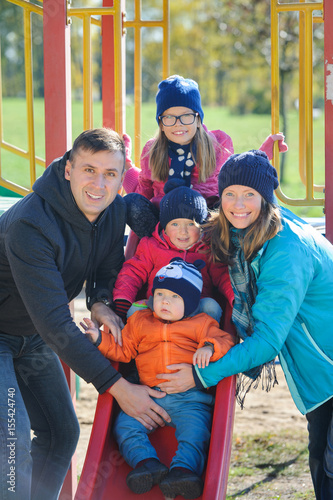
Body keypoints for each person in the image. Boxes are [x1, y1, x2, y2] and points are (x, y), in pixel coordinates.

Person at [0, 128, 170, 500]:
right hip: (16, 332)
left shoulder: (112, 210)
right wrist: (117, 387)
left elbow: (107, 267)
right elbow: (55, 324)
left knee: (62, 433)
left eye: (110, 173)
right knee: (10, 442)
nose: (99, 183)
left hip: (32, 335)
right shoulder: (31, 225)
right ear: (67, 169)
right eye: (88, 170)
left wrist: (100, 302)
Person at [155, 150, 333, 500]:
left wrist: (201, 376)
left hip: (326, 365)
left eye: (249, 194)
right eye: (230, 194)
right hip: (320, 376)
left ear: (265, 199)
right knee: (320, 463)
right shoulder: (246, 232)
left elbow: (267, 340)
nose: (238, 204)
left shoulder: (286, 250)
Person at [82, 258, 236, 499]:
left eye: (175, 297)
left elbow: (226, 341)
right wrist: (99, 339)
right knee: (124, 426)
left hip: (189, 399)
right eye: (160, 293)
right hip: (149, 397)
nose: (165, 301)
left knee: (196, 432)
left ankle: (183, 471)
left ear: (192, 303)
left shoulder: (201, 323)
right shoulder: (140, 322)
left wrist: (208, 347)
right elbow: (123, 351)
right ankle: (147, 463)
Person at [122, 74, 288, 238]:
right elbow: (143, 192)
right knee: (131, 202)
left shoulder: (218, 144)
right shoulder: (153, 150)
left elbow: (238, 176)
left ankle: (212, 251)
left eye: (186, 116)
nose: (178, 123)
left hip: (207, 225)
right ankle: (160, 249)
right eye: (169, 117)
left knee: (232, 205)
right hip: (166, 224)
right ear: (161, 123)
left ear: (198, 119)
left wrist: (261, 155)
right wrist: (125, 166)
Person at [113, 185, 234, 323]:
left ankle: (206, 338)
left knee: (212, 306)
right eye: (175, 224)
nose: (183, 232)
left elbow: (223, 276)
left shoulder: (207, 249)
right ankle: (139, 340)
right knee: (135, 310)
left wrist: (235, 299)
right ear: (165, 226)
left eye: (190, 224)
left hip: (195, 309)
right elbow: (132, 272)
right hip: (158, 307)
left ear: (202, 227)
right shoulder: (152, 246)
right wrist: (123, 298)